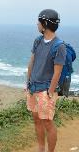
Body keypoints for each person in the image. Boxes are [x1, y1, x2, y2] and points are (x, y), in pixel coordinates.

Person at [26, 9, 66, 152]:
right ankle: (41, 149)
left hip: (46, 90)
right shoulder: (38, 40)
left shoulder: (59, 46)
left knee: (48, 123)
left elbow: (57, 72)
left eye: (39, 21)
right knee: (37, 119)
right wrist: (28, 82)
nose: (37, 24)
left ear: (45, 23)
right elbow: (32, 62)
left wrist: (50, 92)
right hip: (33, 87)